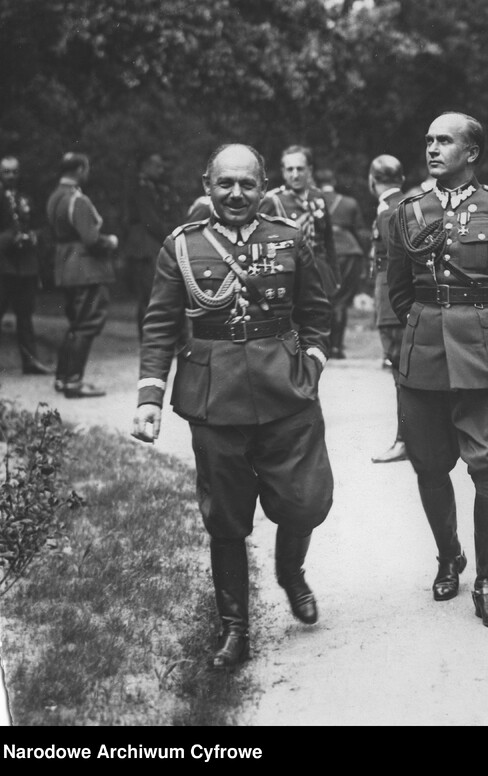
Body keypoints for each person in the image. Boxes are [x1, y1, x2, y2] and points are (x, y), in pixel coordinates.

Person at [131, 143, 334, 670]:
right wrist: (150, 396)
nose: (237, 194)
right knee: (225, 517)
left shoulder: (288, 238)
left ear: (263, 187)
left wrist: (310, 362)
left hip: (285, 391)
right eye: (226, 184)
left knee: (306, 501)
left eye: (247, 184)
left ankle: (290, 572)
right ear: (208, 186)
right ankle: (235, 628)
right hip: (214, 395)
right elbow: (158, 325)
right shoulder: (181, 246)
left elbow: (315, 309)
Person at [386, 111, 488, 628]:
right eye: (428, 139)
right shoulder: (409, 210)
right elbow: (400, 290)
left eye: (445, 141)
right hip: (425, 354)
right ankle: (449, 556)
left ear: (471, 153)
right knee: (430, 466)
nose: (432, 148)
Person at [46, 152, 118, 398]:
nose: (87, 173)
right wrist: (110, 241)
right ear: (78, 170)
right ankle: (74, 382)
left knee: (76, 324)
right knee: (87, 323)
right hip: (86, 269)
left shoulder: (55, 197)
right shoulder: (78, 199)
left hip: (65, 266)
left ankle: (63, 378)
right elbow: (91, 239)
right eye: (86, 169)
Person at [259, 145, 340, 349]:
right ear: (283, 171)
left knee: (318, 325)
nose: (295, 175)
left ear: (310, 170)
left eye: (300, 169)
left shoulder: (318, 197)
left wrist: (335, 276)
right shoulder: (274, 200)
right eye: (289, 169)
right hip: (290, 274)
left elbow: (328, 239)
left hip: (319, 272)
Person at [368, 154, 407, 463]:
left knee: (400, 370)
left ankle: (404, 439)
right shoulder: (406, 202)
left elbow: (395, 262)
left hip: (392, 300)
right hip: (398, 299)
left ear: (372, 180)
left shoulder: (387, 210)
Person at [0, 155, 53, 375]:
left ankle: (30, 361)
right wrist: (10, 238)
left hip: (26, 265)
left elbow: (42, 226)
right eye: (6, 172)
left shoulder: (26, 198)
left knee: (25, 315)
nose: (11, 176)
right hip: (3, 265)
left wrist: (33, 236)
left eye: (14, 171)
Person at [121, 152, 177, 340]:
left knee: (153, 295)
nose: (160, 170)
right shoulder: (141, 188)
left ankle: (153, 337)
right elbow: (150, 221)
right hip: (145, 246)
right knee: (149, 295)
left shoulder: (152, 187)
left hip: (148, 244)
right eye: (157, 166)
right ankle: (149, 339)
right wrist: (170, 237)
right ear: (145, 166)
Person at [322, 170, 371, 359]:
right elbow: (359, 232)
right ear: (333, 181)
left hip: (325, 252)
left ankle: (323, 346)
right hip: (350, 252)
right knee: (340, 301)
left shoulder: (312, 202)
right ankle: (336, 348)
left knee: (323, 300)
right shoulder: (349, 203)